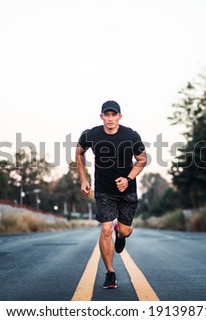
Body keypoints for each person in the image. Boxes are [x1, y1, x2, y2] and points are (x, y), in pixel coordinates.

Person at [76, 100, 147, 289]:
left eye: (113, 115)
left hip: (127, 191)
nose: (110, 118)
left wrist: (128, 179)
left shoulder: (131, 136)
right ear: (101, 117)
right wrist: (83, 179)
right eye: (106, 115)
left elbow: (142, 159)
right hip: (104, 190)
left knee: (124, 230)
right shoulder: (91, 134)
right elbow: (79, 151)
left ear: (119, 117)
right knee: (105, 228)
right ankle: (110, 272)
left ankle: (121, 236)